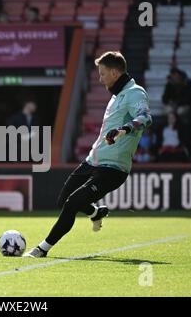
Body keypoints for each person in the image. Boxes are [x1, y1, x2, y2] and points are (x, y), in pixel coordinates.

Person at [24, 51, 152, 258]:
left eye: (102, 74)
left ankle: (42, 249)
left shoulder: (135, 93)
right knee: (64, 199)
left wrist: (124, 129)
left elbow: (145, 117)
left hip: (113, 168)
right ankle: (96, 212)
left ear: (113, 72)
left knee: (73, 203)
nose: (100, 79)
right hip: (93, 160)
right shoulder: (117, 95)